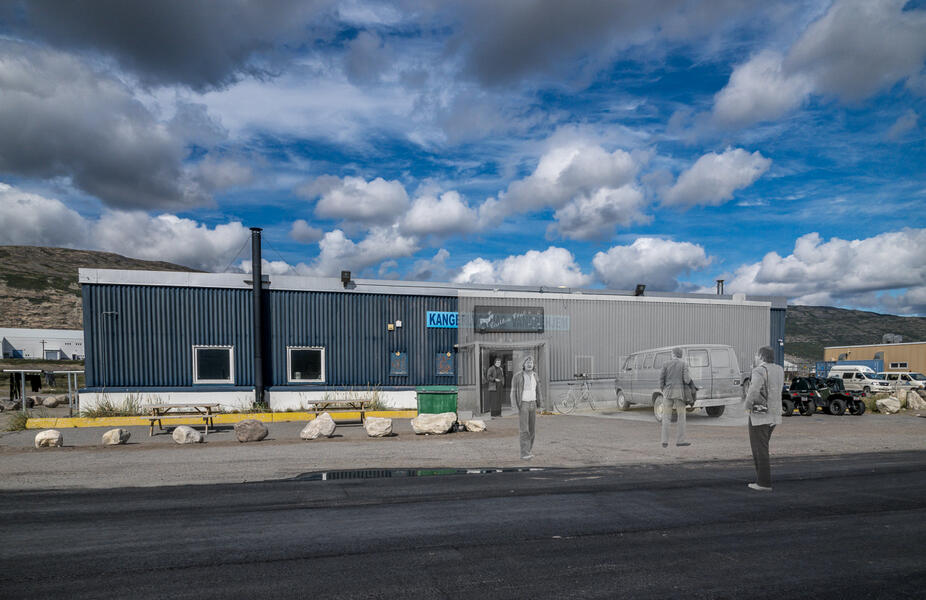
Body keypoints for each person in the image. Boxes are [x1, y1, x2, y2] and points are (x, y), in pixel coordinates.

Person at [744, 345, 784, 491]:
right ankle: (762, 480)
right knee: (763, 446)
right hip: (774, 415)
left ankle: (763, 483)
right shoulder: (779, 370)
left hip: (760, 415)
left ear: (761, 356)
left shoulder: (759, 370)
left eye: (756, 355)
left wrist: (747, 407)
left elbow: (753, 391)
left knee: (759, 448)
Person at [659, 347, 693, 448]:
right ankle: (680, 441)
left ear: (673, 354)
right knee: (681, 418)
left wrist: (663, 389)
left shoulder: (665, 364)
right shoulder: (684, 364)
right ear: (681, 355)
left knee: (666, 418)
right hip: (679, 394)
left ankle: (664, 442)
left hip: (667, 393)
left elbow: (661, 378)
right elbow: (686, 380)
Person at [511, 355, 541, 460]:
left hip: (533, 404)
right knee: (524, 430)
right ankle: (524, 453)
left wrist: (539, 404)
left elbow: (538, 391)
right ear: (523, 364)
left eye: (531, 362)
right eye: (527, 362)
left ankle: (528, 451)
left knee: (532, 430)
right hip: (523, 404)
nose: (529, 364)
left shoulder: (535, 375)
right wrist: (515, 407)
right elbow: (513, 392)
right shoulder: (517, 376)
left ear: (533, 365)